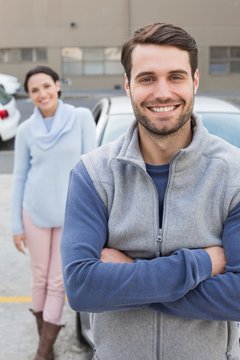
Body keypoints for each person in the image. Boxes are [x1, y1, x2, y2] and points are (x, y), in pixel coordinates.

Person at [61, 23, 240, 360]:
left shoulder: (234, 175)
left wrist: (125, 276)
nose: (162, 92)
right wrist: (202, 262)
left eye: (175, 76)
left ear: (195, 81)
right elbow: (82, 288)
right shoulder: (93, 174)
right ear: (128, 85)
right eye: (147, 78)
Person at [11, 65, 96, 360]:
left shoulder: (80, 118)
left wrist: (96, 217)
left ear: (58, 85)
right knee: (39, 278)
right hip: (34, 212)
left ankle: (42, 351)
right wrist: (15, 225)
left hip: (71, 215)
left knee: (58, 281)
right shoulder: (25, 131)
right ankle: (45, 350)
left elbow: (91, 168)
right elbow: (20, 176)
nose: (42, 94)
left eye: (46, 86)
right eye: (35, 90)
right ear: (30, 96)